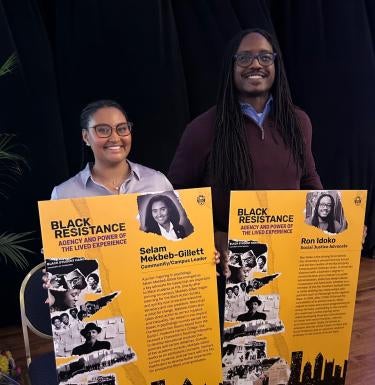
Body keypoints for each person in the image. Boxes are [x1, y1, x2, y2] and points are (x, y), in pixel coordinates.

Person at [167, 28, 322, 337]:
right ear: (231, 66)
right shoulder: (204, 129)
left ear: (276, 65)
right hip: (229, 271)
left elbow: (308, 179)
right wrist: (212, 234)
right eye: (245, 57)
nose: (256, 64)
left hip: (288, 259)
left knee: (283, 348)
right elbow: (173, 198)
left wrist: (339, 225)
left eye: (265, 56)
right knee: (239, 357)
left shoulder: (298, 122)